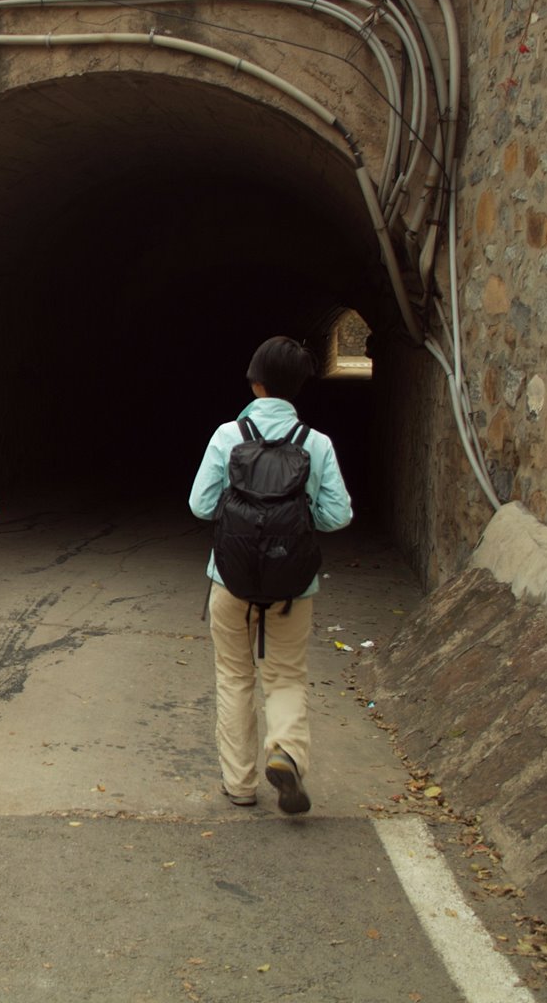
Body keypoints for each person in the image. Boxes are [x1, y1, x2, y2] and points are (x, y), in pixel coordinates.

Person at [188, 336, 351, 816]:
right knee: (285, 676)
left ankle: (239, 783)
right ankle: (285, 752)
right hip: (292, 587)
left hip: (231, 580)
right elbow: (337, 515)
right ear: (299, 386)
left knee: (234, 677)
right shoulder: (315, 443)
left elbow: (200, 505)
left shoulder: (228, 435)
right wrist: (295, 521)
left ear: (255, 381)